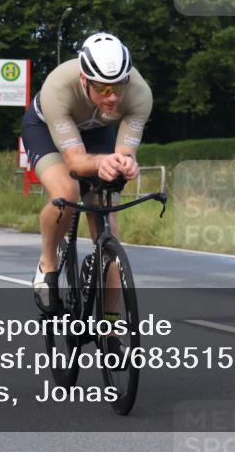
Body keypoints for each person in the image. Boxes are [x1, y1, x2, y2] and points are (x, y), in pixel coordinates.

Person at [21, 33, 152, 328]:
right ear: (84, 80)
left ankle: (110, 324)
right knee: (66, 193)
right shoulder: (58, 88)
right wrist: (100, 162)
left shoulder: (140, 94)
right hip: (47, 131)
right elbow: (76, 161)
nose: (113, 97)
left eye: (119, 86)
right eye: (104, 88)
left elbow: (123, 152)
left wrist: (125, 164)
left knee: (109, 225)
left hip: (97, 133)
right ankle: (47, 263)